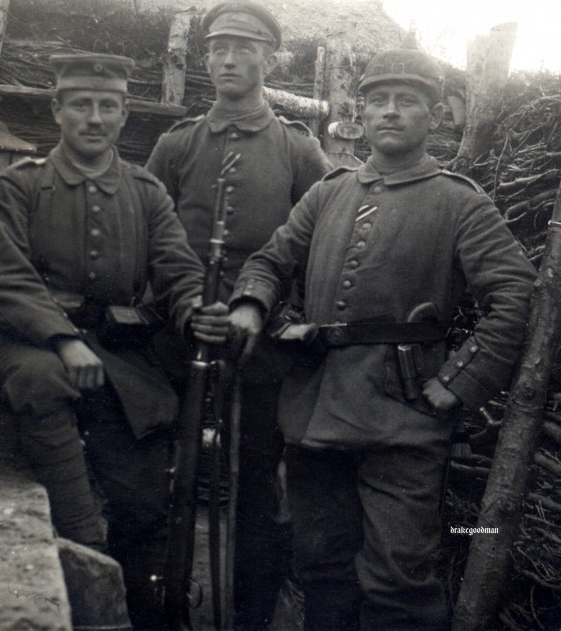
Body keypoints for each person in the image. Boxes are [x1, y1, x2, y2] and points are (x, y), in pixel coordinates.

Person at [226, 47, 535, 630]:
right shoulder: (328, 191)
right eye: (377, 101)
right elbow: (270, 260)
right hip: (314, 413)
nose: (390, 112)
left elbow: (515, 295)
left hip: (404, 420)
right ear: (359, 114)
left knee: (398, 577)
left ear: (435, 116)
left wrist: (459, 385)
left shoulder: (459, 202)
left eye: (407, 101)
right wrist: (250, 304)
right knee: (320, 566)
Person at [0, 54, 230, 629]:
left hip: (120, 355)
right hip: (30, 342)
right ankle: (84, 551)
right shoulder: (22, 185)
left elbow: (178, 269)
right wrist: (62, 338)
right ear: (57, 111)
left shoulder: (146, 192)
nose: (94, 118)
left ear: (124, 114)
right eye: (81, 105)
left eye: (107, 106)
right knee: (39, 380)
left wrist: (196, 313)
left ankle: (138, 613)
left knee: (142, 500)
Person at [144, 0, 331, 629]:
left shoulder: (298, 150)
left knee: (257, 490)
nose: (229, 59)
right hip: (181, 331)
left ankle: (250, 615)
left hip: (263, 344)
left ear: (268, 59)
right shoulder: (176, 145)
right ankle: (158, 605)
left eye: (245, 48)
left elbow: (320, 245)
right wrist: (181, 306)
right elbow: (148, 234)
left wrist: (269, 310)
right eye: (219, 48)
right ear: (206, 59)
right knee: (166, 474)